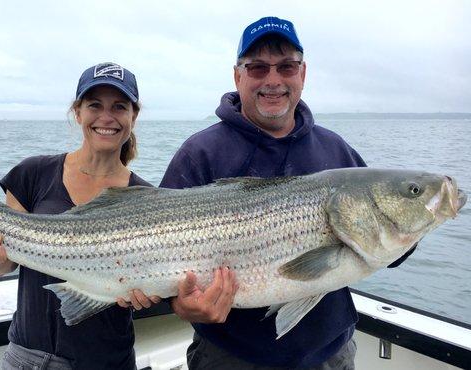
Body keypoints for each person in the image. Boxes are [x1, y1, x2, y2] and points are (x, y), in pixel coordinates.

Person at [160, 17, 414, 369]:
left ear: (303, 74)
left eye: (287, 67)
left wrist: (414, 219)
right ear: (238, 76)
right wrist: (182, 306)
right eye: (258, 68)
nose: (273, 80)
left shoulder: (337, 153)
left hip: (328, 353)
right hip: (228, 356)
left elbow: (387, 250)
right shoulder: (199, 153)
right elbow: (155, 258)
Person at [0, 62, 160, 369]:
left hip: (109, 361)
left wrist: (148, 291)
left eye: (119, 107)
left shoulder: (145, 198)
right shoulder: (33, 174)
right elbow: (4, 266)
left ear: (133, 117)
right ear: (77, 112)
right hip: (28, 358)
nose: (106, 117)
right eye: (95, 105)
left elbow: (153, 276)